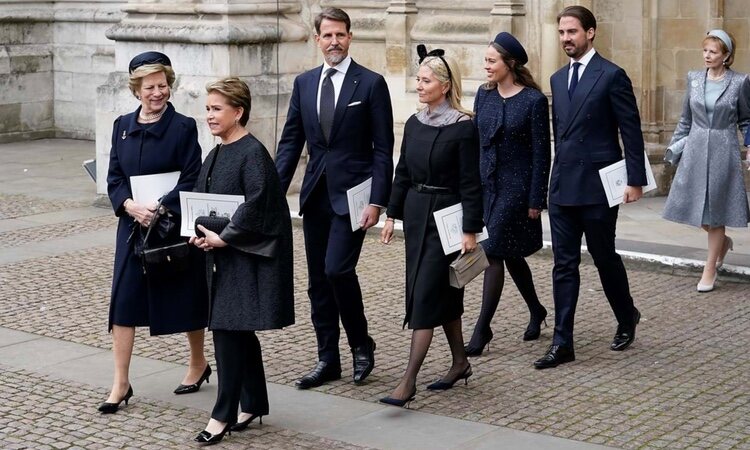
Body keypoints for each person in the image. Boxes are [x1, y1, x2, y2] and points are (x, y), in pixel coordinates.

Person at [275, 7, 394, 389]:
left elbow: (382, 148)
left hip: (354, 198)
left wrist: (378, 200)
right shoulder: (305, 83)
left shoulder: (371, 83)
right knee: (317, 282)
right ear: (317, 39)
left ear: (350, 36)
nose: (334, 42)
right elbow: (291, 142)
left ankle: (361, 344)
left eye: (340, 35)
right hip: (315, 197)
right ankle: (328, 358)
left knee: (337, 270)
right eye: (327, 35)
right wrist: (273, 193)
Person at [534, 5, 647, 370]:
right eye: (562, 33)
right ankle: (562, 341)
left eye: (573, 32)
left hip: (599, 188)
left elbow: (630, 130)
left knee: (603, 257)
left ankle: (626, 314)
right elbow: (560, 137)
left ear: (590, 32)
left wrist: (634, 180)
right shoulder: (555, 79)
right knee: (563, 264)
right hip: (564, 186)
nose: (566, 38)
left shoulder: (612, 75)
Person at [101, 51, 209, 413]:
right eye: (150, 87)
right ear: (136, 90)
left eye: (162, 85)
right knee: (124, 301)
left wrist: (161, 206)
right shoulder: (121, 126)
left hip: (170, 227)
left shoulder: (183, 127)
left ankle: (198, 362)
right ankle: (121, 381)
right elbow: (114, 178)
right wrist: (130, 206)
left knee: (185, 296)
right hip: (132, 228)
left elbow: (191, 176)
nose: (157, 93)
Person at [190, 77, 294, 445]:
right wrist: (197, 231)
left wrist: (226, 236)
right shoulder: (216, 152)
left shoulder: (253, 153)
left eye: (217, 109)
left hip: (244, 257)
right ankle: (253, 402)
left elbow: (259, 205)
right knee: (236, 327)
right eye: (207, 109)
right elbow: (201, 201)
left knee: (227, 329)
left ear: (239, 112)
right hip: (221, 255)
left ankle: (222, 414)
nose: (209, 116)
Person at [379, 46, 483, 407]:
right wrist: (391, 215)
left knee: (425, 296)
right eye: (418, 80)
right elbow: (403, 172)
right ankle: (460, 361)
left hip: (448, 221)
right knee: (444, 295)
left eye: (425, 81)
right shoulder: (414, 122)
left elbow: (472, 182)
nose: (418, 86)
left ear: (444, 85)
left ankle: (407, 382)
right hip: (417, 214)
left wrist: (471, 229)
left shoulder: (464, 127)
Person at [464, 32, 551, 357]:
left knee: (493, 252)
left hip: (517, 189)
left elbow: (542, 154)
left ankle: (481, 329)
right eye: (486, 60)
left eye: (491, 61)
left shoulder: (534, 101)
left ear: (509, 64)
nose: (486, 66)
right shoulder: (483, 96)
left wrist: (535, 199)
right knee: (510, 253)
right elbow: (474, 143)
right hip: (488, 186)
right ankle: (537, 309)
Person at [663, 30, 750, 292]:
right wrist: (673, 148)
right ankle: (721, 243)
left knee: (716, 213)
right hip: (695, 149)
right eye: (705, 51)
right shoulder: (694, 79)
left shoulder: (740, 82)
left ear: (726, 56)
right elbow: (685, 120)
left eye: (713, 52)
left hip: (724, 150)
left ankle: (710, 268)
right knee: (689, 206)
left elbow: (747, 119)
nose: (707, 56)